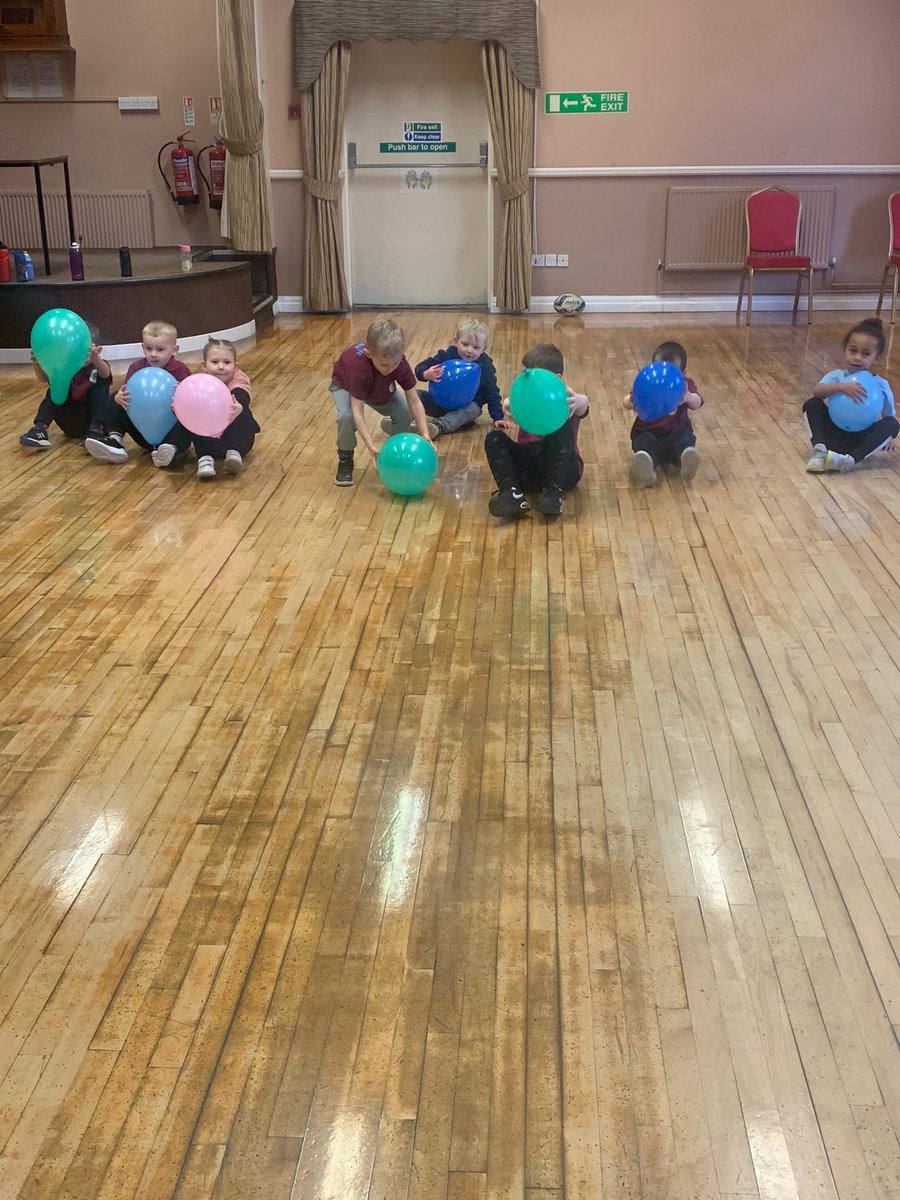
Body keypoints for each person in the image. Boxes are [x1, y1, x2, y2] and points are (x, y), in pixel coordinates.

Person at [484, 342, 589, 519]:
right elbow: (509, 404)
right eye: (525, 374)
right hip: (529, 469)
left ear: (556, 379)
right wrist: (507, 405)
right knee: (494, 438)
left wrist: (580, 399)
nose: (526, 380)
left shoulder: (567, 401)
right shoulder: (525, 398)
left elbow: (583, 406)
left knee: (561, 427)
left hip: (564, 471)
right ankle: (512, 493)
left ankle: (553, 494)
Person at [330, 316, 432, 485]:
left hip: (378, 386)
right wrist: (371, 448)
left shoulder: (398, 364)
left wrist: (425, 434)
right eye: (385, 365)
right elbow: (358, 410)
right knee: (346, 418)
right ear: (368, 354)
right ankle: (345, 457)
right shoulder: (358, 369)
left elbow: (414, 401)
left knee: (404, 413)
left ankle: (396, 455)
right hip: (346, 386)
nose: (391, 368)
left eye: (395, 363)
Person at [151, 337, 259, 480]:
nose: (221, 367)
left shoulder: (238, 378)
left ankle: (234, 453)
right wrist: (180, 401)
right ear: (204, 365)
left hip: (238, 441)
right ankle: (199, 456)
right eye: (215, 362)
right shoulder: (199, 383)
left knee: (241, 411)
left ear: (235, 366)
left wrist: (239, 406)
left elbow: (242, 395)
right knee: (195, 413)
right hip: (210, 442)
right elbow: (182, 409)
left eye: (227, 362)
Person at [84, 319, 191, 463]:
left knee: (187, 420)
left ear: (174, 350)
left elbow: (192, 405)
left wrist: (183, 394)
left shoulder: (181, 370)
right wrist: (119, 400)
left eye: (160, 350)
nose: (153, 354)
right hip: (143, 433)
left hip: (171, 434)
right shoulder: (136, 368)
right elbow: (132, 400)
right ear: (142, 347)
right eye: (148, 348)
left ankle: (171, 449)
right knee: (116, 396)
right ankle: (114, 441)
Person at [802, 317, 898, 472]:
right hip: (832, 434)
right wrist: (840, 387)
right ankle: (820, 451)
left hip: (860, 440)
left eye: (865, 354)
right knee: (812, 403)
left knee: (893, 425)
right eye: (853, 351)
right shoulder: (837, 376)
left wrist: (886, 439)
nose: (857, 357)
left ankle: (848, 461)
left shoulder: (881, 384)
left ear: (876, 358)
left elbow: (888, 418)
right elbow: (817, 392)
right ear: (845, 350)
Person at [399, 316, 504, 438]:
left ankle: (438, 427)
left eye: (476, 347)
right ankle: (403, 420)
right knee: (416, 395)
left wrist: (498, 417)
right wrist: (425, 374)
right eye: (465, 344)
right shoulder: (447, 355)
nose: (469, 350)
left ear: (484, 349)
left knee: (474, 409)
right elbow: (420, 367)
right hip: (439, 403)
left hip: (465, 410)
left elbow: (492, 392)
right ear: (456, 341)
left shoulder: (485, 366)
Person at [19, 323, 111, 449]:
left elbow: (105, 375)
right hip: (70, 422)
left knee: (98, 387)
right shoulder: (64, 367)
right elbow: (43, 379)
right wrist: (38, 363)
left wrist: (96, 359)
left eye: (85, 350)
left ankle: (96, 431)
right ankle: (40, 428)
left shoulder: (98, 366)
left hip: (93, 420)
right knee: (55, 389)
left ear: (97, 350)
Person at [627, 340, 703, 487]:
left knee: (684, 438)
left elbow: (697, 402)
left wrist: (688, 397)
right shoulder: (648, 382)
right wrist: (631, 400)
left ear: (683, 373)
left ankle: (684, 458)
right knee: (643, 442)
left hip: (676, 432)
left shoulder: (686, 385)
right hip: (648, 432)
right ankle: (647, 465)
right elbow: (626, 401)